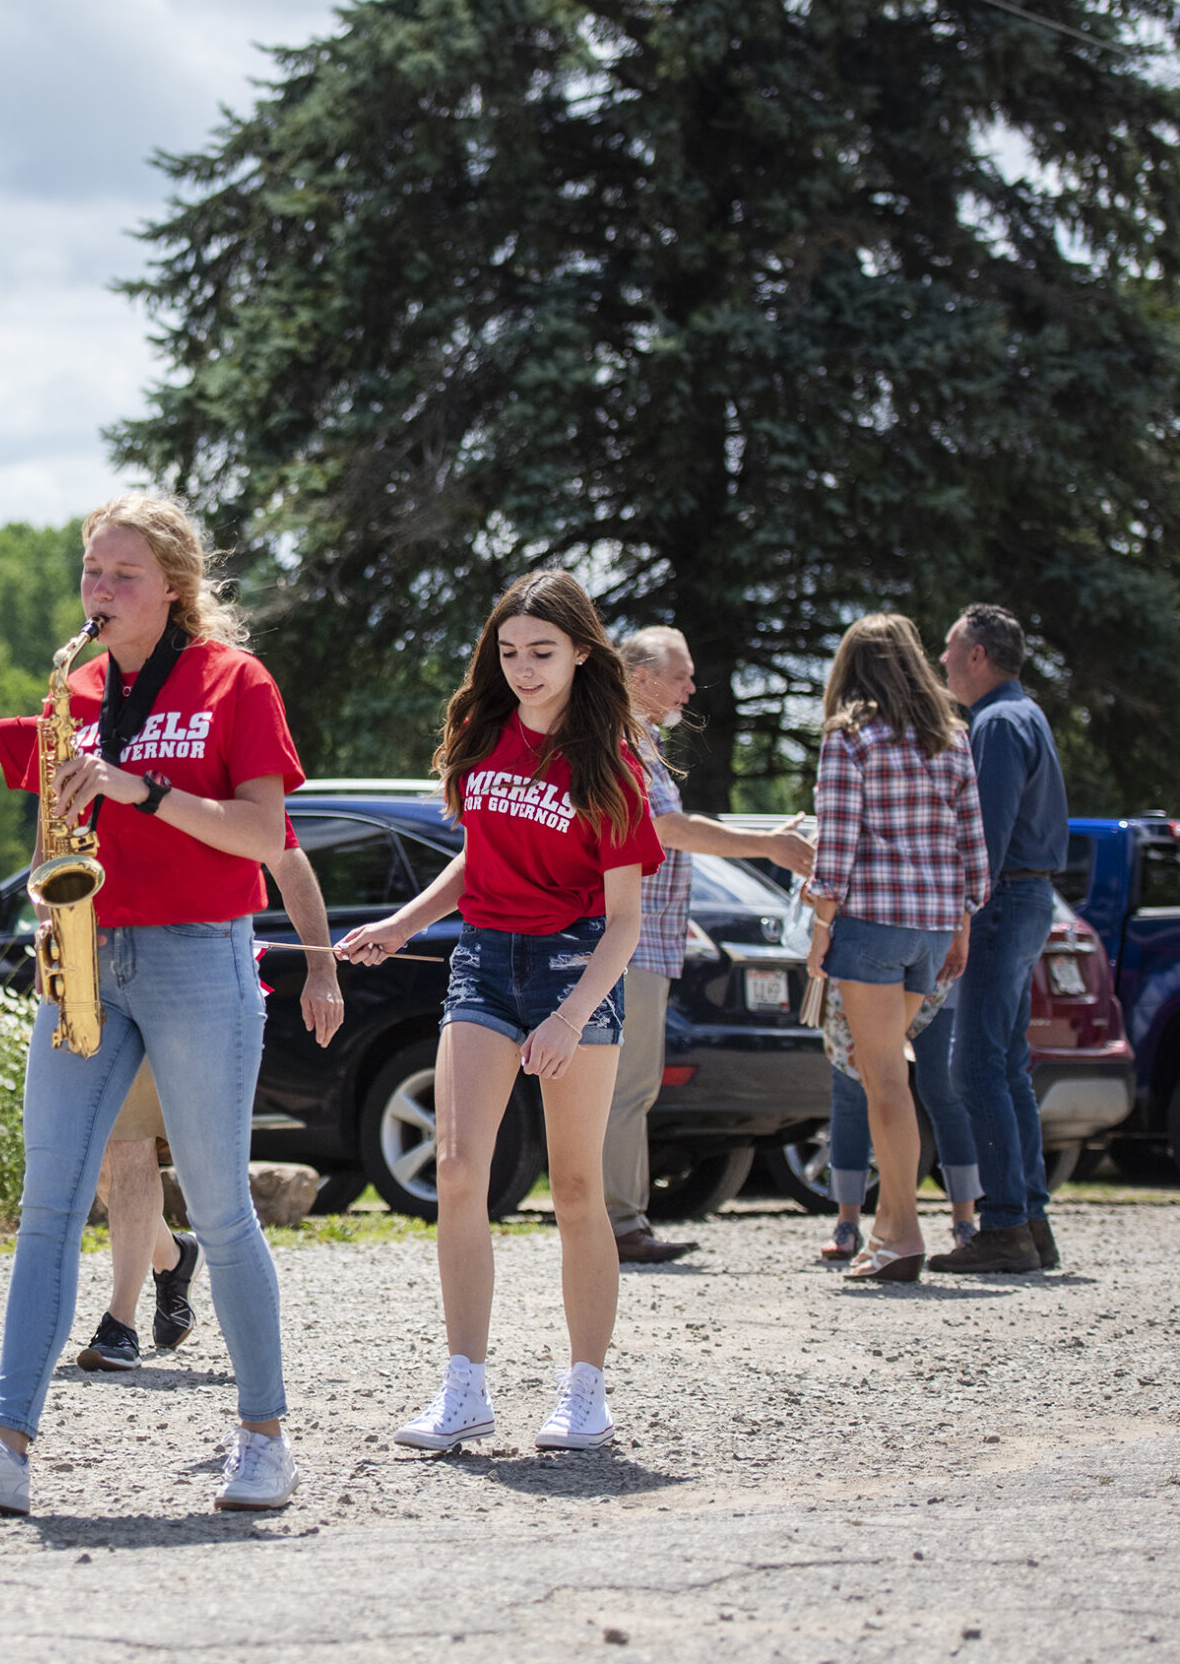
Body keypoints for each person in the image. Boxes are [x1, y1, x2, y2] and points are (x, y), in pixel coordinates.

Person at [0, 492, 307, 1515]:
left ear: (173, 587)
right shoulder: (77, 687)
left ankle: (263, 1436)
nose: (99, 591)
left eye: (120, 575)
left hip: (198, 955)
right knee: (47, 1210)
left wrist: (137, 791)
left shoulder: (231, 682)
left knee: (219, 1206)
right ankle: (5, 1444)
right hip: (86, 957)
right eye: (89, 573)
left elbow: (261, 833)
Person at [341, 569, 663, 1453]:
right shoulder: (483, 736)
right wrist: (403, 924)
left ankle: (586, 1390)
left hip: (575, 967)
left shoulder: (612, 763)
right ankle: (464, 1387)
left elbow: (627, 920)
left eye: (542, 653)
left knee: (574, 1187)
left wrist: (568, 1018)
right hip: (481, 962)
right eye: (510, 652)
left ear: (582, 652)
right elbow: (476, 863)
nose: (523, 669)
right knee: (454, 1170)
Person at [76, 844, 343, 1372]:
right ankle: (173, 1259)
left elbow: (286, 855)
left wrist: (322, 966)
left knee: (150, 1159)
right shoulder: (99, 760)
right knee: (105, 1166)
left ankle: (120, 1324)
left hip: (197, 979)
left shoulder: (211, 768)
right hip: (107, 970)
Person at [608, 629, 814, 1264]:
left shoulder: (640, 739)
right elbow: (666, 829)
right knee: (624, 1089)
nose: (691, 689)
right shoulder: (621, 741)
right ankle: (618, 1226)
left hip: (645, 941)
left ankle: (619, 1220)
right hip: (626, 942)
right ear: (639, 676)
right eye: (681, 675)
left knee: (631, 1087)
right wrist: (770, 847)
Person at [802, 613, 990, 1283]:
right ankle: (891, 1226)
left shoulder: (850, 738)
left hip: (873, 926)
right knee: (894, 1077)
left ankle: (900, 1235)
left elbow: (837, 844)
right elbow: (973, 843)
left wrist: (821, 929)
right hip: (934, 928)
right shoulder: (953, 739)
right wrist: (962, 924)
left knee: (882, 1080)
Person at [930, 604, 1069, 1275]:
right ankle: (1030, 1219)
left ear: (978, 655)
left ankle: (1006, 1224)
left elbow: (981, 829)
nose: (943, 659)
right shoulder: (1024, 715)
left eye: (951, 648)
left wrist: (958, 910)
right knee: (1005, 1062)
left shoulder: (997, 724)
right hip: (1027, 895)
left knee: (974, 1064)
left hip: (1003, 898)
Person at [820, 982, 979, 1259]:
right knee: (851, 1094)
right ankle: (846, 1224)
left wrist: (959, 943)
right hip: (863, 974)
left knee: (942, 1091)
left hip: (936, 973)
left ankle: (964, 1223)